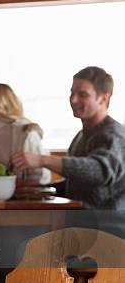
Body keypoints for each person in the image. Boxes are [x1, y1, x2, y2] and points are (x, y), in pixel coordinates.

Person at [12, 66, 125, 209]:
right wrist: (38, 189)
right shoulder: (81, 135)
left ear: (103, 98)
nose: (73, 99)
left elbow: (99, 171)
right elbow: (78, 185)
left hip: (109, 228)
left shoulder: (113, 135)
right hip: (83, 226)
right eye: (72, 93)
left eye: (83, 95)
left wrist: (42, 160)